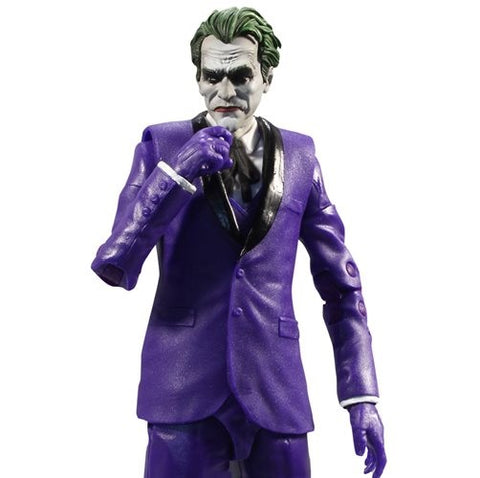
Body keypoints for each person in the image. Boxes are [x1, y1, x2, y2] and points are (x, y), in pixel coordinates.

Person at [92, 7, 386, 478]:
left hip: (276, 390)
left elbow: (342, 285)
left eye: (241, 76)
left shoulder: (301, 157)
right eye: (213, 76)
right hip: (183, 386)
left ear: (266, 77)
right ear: (198, 78)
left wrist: (361, 395)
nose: (225, 92)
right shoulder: (161, 146)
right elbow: (117, 263)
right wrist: (178, 173)